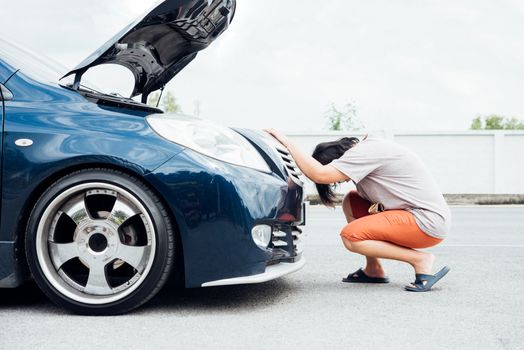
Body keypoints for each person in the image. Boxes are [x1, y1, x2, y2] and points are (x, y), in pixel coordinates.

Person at [265, 129, 451, 292]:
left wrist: (287, 143)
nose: (341, 181)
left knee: (351, 236)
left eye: (337, 178)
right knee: (352, 201)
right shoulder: (369, 150)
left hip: (426, 222)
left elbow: (320, 175)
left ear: (338, 159)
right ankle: (373, 269)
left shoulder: (365, 151)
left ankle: (420, 260)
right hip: (418, 216)